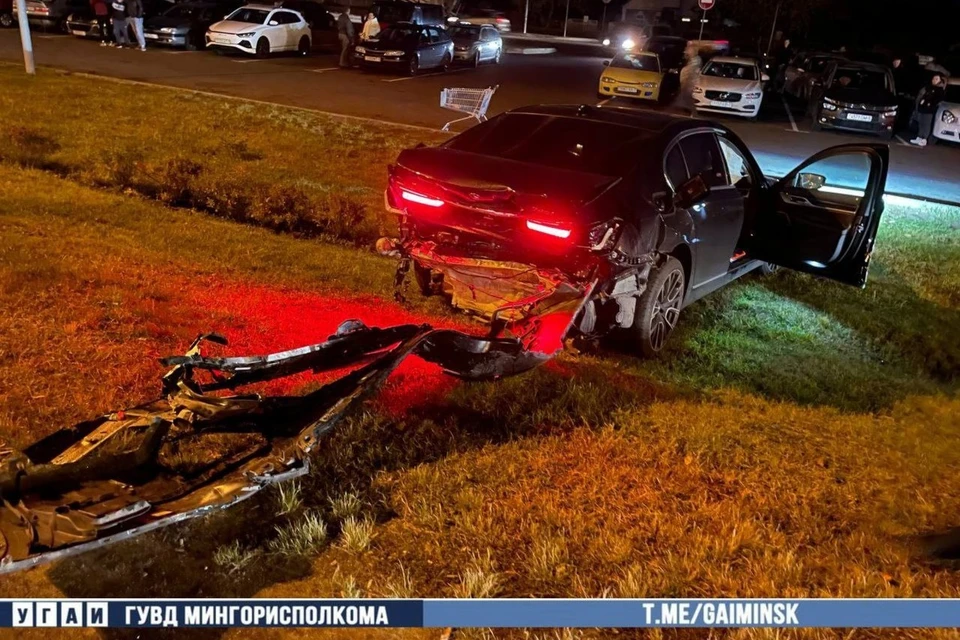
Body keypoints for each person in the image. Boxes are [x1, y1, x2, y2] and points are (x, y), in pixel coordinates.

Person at [910, 74, 946, 146]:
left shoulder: (939, 90)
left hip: (929, 110)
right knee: (921, 123)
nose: (934, 80)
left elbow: (937, 100)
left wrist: (930, 104)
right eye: (933, 79)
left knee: (926, 124)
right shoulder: (928, 87)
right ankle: (919, 137)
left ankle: (924, 139)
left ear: (940, 81)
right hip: (922, 108)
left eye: (936, 79)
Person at [677, 44, 702, 115]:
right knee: (687, 99)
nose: (686, 52)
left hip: (690, 84)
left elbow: (692, 72)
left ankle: (693, 114)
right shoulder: (690, 60)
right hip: (686, 83)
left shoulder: (696, 60)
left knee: (688, 99)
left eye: (688, 50)